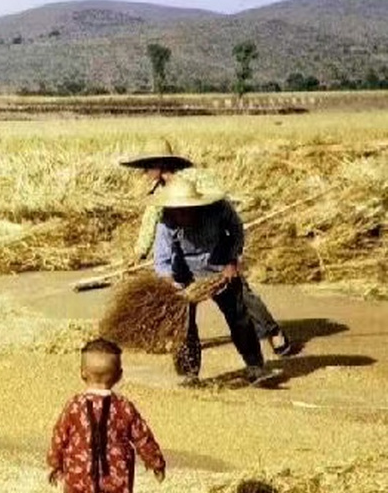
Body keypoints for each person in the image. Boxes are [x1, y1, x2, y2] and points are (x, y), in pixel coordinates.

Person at [121, 140, 296, 357]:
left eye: (148, 166)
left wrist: (231, 258)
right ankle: (188, 362)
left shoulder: (195, 178)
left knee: (242, 298)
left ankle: (272, 332)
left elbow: (221, 204)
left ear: (161, 163)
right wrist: (140, 251)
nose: (145, 172)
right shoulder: (160, 192)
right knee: (182, 306)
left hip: (214, 250)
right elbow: (152, 222)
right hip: (183, 256)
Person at [153, 178, 284, 388]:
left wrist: (232, 261)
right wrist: (173, 287)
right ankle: (189, 374)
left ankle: (255, 367)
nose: (182, 216)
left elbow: (237, 231)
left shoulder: (219, 209)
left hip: (220, 268)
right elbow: (162, 260)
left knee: (239, 318)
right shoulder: (166, 221)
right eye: (178, 211)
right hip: (185, 273)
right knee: (183, 326)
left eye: (186, 210)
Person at [47, 337, 166, 493]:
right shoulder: (124, 406)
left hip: (80, 471)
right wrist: (155, 462)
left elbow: (59, 435)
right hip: (118, 472)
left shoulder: (74, 405)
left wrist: (54, 463)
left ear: (82, 373)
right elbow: (142, 435)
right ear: (119, 375)